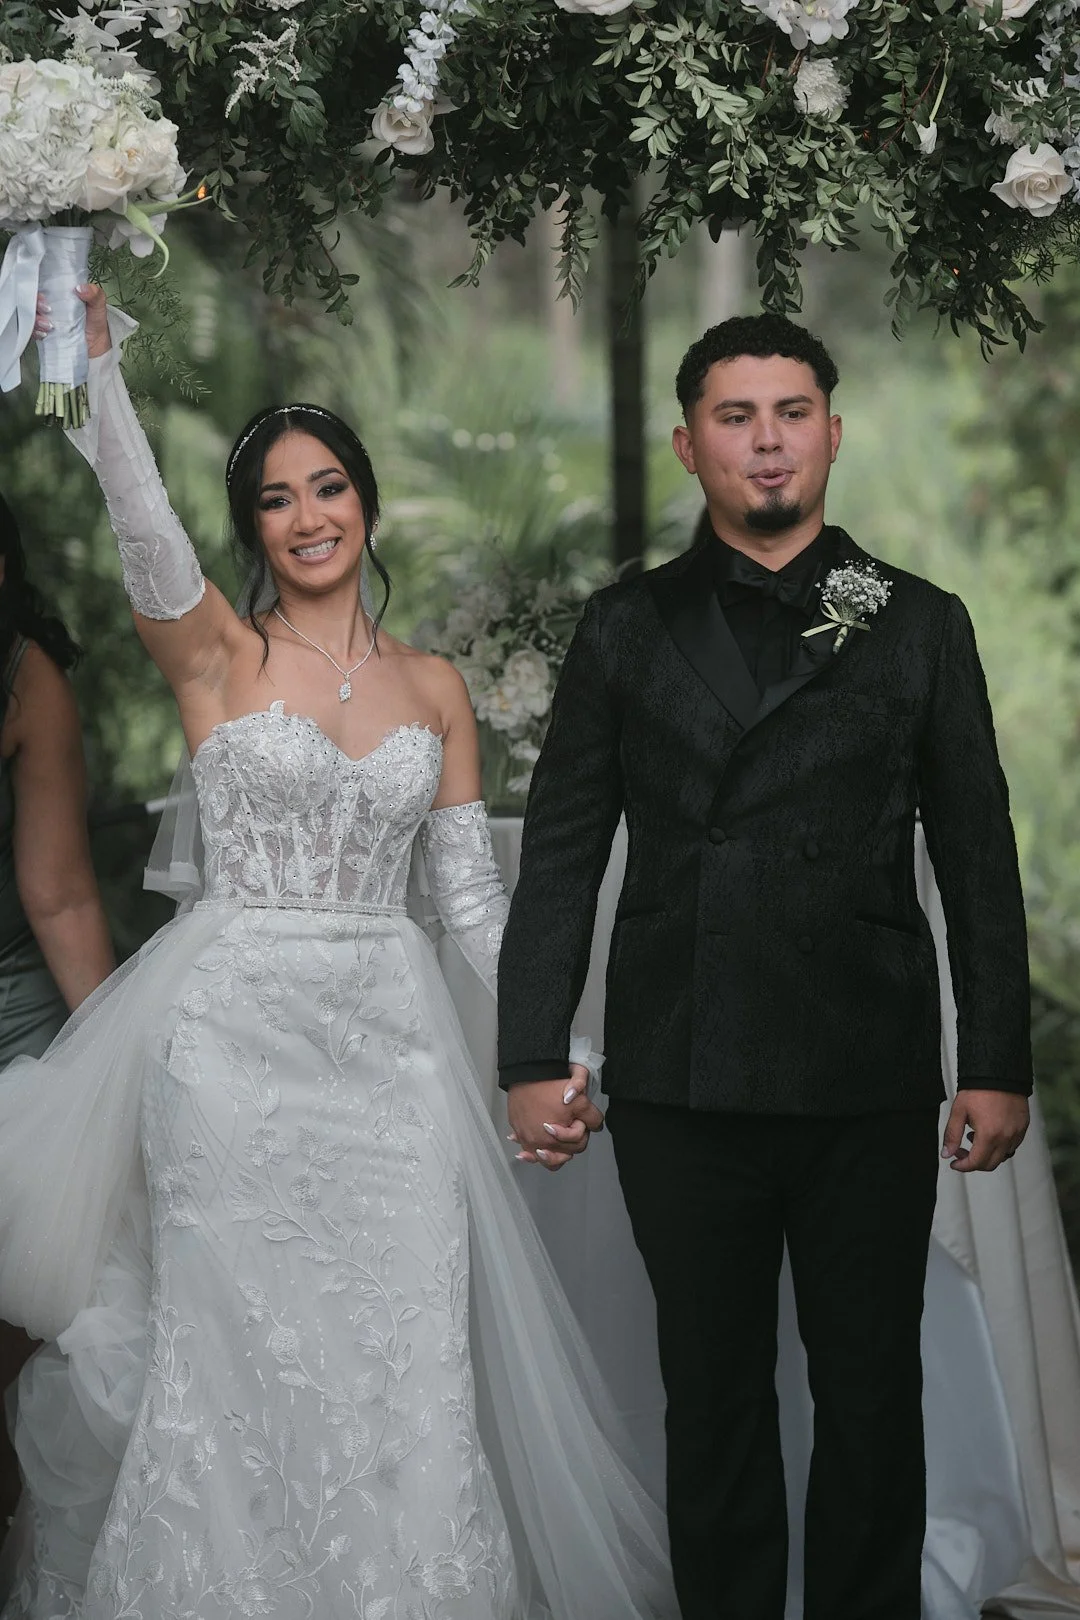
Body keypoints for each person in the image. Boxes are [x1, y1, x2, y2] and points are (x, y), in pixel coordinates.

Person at [0, 287, 675, 1620]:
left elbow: (471, 904)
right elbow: (142, 523)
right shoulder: (216, 655)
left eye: (328, 488)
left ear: (365, 503)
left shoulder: (435, 687)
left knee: (403, 1353)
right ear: (253, 527)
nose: (308, 516)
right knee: (231, 1358)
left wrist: (546, 1047)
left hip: (392, 1058)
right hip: (230, 1056)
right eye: (276, 499)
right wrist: (100, 378)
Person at [497, 313, 1032, 1620]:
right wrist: (529, 1054)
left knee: (871, 1393)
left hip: (867, 1073)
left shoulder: (919, 623)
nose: (768, 440)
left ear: (833, 434)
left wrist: (998, 1061)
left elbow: (977, 855)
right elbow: (562, 854)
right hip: (684, 1071)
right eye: (736, 417)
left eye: (792, 412)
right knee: (713, 1397)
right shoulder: (624, 628)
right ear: (690, 446)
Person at [0, 493, 114, 1532]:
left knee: (41, 1272)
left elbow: (62, 896)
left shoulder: (24, 675)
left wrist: (114, 1061)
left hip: (13, 1015)